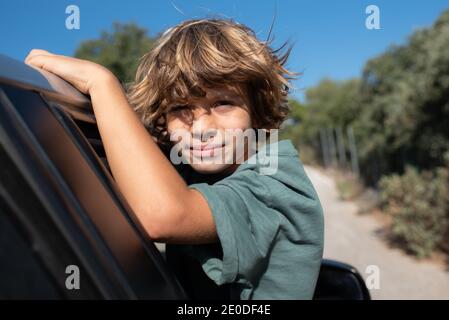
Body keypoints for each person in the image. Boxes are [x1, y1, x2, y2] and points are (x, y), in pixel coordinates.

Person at [25, 18, 324, 300]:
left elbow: (163, 216)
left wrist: (102, 84)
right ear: (164, 120)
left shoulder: (275, 181)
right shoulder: (191, 167)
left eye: (223, 103)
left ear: (256, 112)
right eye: (181, 108)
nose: (203, 129)